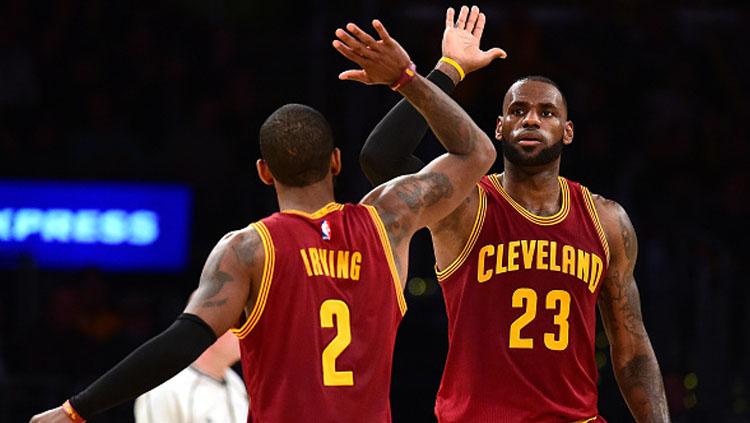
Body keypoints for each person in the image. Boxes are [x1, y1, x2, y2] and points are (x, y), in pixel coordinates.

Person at [29, 18, 496, 423]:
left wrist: (77, 409)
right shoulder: (388, 221)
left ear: (264, 172)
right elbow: (477, 151)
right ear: (335, 162)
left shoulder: (249, 249)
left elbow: (181, 342)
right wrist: (415, 76)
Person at [359, 6, 670, 423]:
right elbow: (382, 158)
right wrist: (441, 71)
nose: (531, 120)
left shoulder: (607, 221)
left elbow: (632, 350)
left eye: (547, 113)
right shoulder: (465, 205)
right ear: (500, 127)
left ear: (568, 131)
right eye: (518, 111)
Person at [133, 330, 249, 423]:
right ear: (214, 324)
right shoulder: (164, 388)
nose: (247, 331)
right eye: (238, 324)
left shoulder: (234, 381)